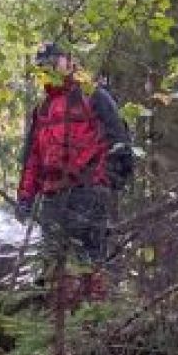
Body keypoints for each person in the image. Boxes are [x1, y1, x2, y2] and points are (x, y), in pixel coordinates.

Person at [16, 43, 134, 298]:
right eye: (42, 65)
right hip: (52, 197)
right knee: (54, 266)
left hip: (88, 191)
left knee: (91, 263)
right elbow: (33, 159)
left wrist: (109, 180)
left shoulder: (93, 95)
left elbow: (119, 140)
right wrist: (25, 198)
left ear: (67, 61)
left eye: (52, 61)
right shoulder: (42, 109)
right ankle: (60, 327)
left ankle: (96, 322)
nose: (47, 68)